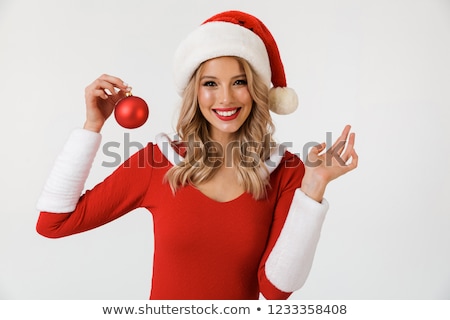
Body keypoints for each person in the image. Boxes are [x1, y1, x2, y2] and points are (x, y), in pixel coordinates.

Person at [36, 10, 357, 300]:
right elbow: (54, 222)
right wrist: (93, 125)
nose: (226, 98)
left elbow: (276, 291)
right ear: (195, 91)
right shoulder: (157, 162)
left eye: (240, 82)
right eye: (211, 83)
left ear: (258, 90)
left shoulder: (286, 171)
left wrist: (314, 187)